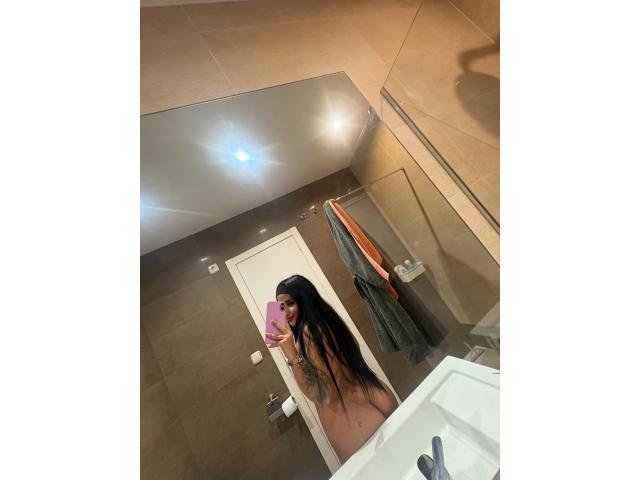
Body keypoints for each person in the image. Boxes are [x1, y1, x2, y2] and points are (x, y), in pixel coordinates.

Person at [266, 274, 398, 463]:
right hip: (378, 397)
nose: (285, 312)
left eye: (291, 303)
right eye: (281, 306)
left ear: (304, 299)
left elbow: (321, 395)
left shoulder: (308, 334)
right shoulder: (329, 321)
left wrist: (292, 355)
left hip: (355, 427)